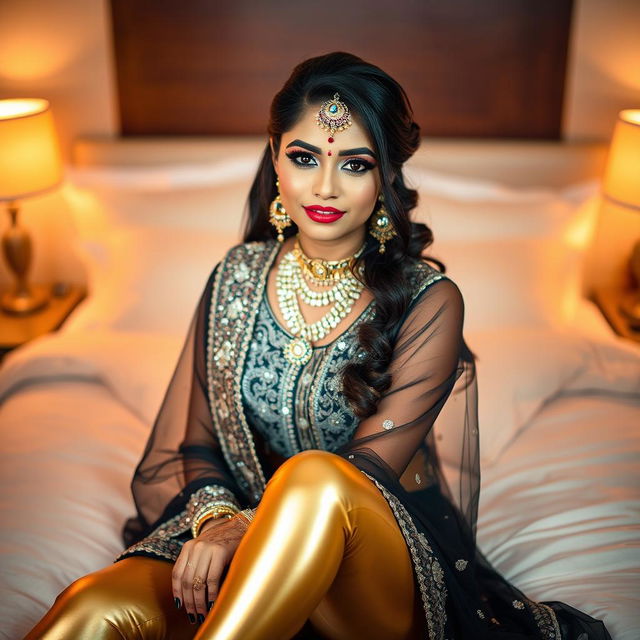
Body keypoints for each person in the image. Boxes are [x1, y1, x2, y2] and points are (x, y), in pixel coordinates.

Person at [24, 51, 612, 640]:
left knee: (315, 477)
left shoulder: (427, 300)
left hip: (374, 562)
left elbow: (367, 471)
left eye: (354, 165)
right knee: (90, 607)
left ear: (385, 176)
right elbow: (195, 443)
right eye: (304, 157)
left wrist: (244, 529)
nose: (325, 187)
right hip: (236, 532)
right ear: (275, 155)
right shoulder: (236, 276)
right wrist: (217, 521)